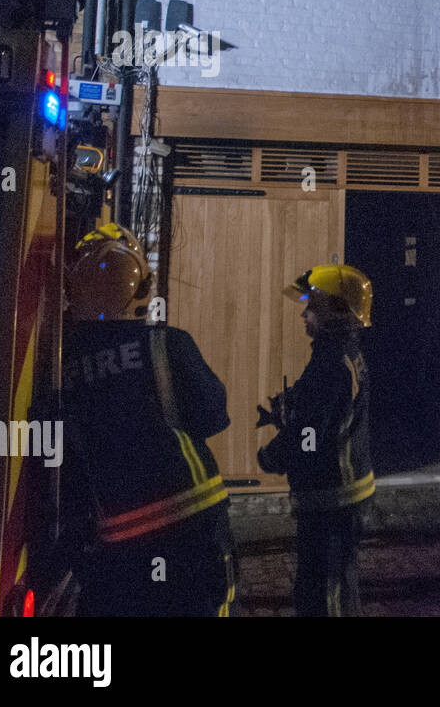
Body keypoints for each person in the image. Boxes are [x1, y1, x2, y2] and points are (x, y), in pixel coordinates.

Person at [60, 223, 237, 616]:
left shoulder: (61, 365)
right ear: (141, 290)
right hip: (193, 520)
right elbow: (213, 416)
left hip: (119, 537)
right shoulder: (168, 344)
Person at [258, 263, 375, 616]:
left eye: (311, 305)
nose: (304, 313)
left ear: (334, 309)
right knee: (331, 586)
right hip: (339, 495)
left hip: (332, 499)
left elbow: (309, 432)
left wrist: (272, 455)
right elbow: (320, 408)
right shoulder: (338, 354)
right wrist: (293, 402)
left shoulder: (331, 363)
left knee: (325, 597)